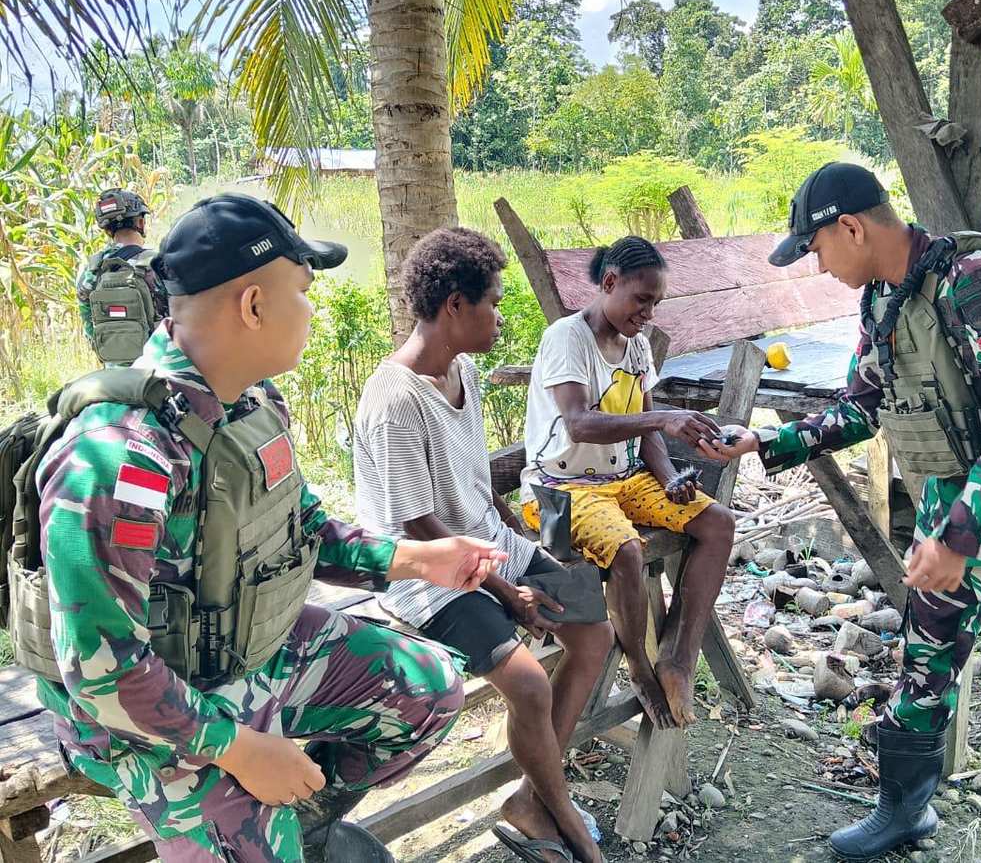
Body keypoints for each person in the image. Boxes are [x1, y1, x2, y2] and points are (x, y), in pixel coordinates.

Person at [32, 194, 504, 863]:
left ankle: (297, 828)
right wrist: (244, 752)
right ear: (253, 306)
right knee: (253, 831)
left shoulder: (252, 402)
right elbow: (102, 674)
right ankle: (262, 833)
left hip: (238, 647)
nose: (312, 310)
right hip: (138, 711)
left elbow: (302, 530)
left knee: (427, 690)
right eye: (304, 291)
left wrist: (416, 560)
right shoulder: (119, 455)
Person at [702, 163, 981, 863]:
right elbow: (863, 404)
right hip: (946, 521)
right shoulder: (883, 299)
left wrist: (964, 542)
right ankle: (903, 813)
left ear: (850, 226)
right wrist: (769, 438)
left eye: (817, 248)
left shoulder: (977, 281)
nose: (818, 265)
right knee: (924, 670)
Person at [353, 227, 615, 863]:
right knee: (527, 685)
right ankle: (568, 825)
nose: (500, 318)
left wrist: (523, 548)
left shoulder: (462, 370)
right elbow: (419, 526)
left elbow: (472, 486)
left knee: (593, 630)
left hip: (491, 549)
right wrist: (510, 591)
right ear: (453, 307)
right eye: (493, 303)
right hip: (426, 576)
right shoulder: (393, 400)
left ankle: (534, 800)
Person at [520, 235, 736, 730]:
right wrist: (662, 420)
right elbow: (577, 424)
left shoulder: (636, 346)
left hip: (623, 479)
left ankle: (678, 659)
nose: (649, 314)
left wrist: (670, 475)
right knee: (629, 551)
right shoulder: (566, 338)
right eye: (642, 299)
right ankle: (638, 664)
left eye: (656, 303)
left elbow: (644, 425)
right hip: (558, 491)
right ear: (610, 283)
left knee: (717, 524)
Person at [76, 188, 169, 366]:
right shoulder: (159, 264)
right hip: (159, 375)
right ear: (141, 223)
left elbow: (89, 328)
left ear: (107, 231)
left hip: (113, 378)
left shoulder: (92, 270)